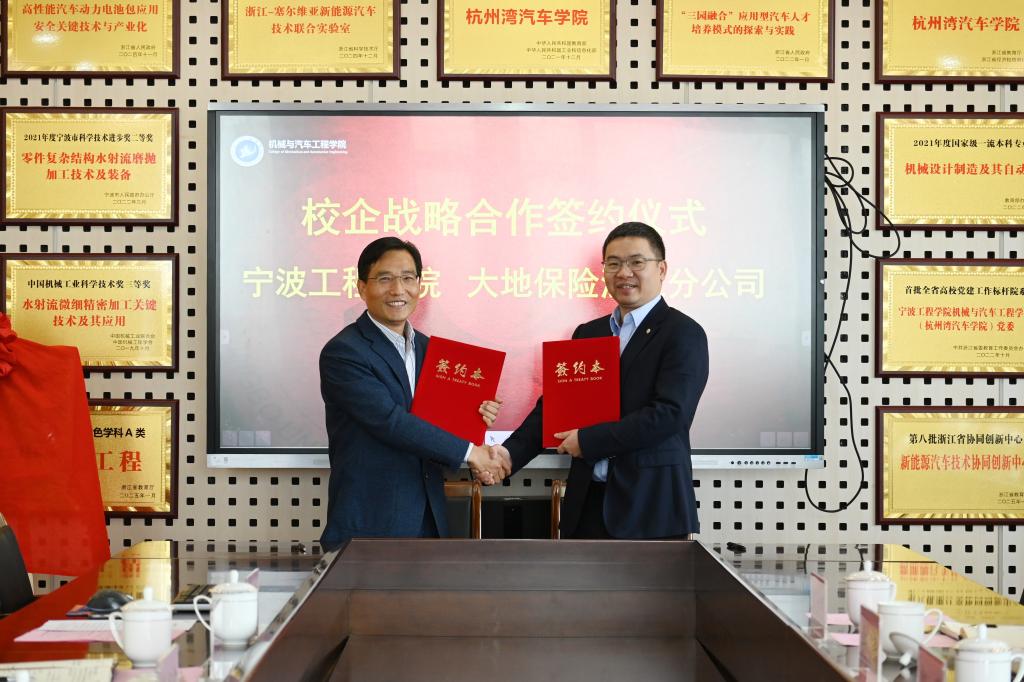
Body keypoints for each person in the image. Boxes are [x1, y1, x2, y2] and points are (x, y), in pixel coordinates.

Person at [499, 222, 709, 539]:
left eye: (636, 262)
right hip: (587, 506)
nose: (624, 273)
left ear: (661, 269)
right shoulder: (589, 333)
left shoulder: (683, 333)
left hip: (651, 509)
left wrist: (588, 440)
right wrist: (508, 455)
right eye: (613, 263)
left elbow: (670, 414)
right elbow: (556, 407)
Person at [319, 237, 510, 551]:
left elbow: (434, 425)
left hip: (429, 519)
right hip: (370, 523)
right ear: (362, 287)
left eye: (408, 278)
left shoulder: (431, 351)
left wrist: (474, 418)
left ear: (420, 285)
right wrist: (471, 452)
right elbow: (391, 422)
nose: (398, 289)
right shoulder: (344, 352)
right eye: (385, 279)